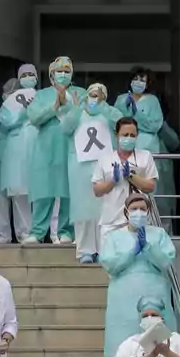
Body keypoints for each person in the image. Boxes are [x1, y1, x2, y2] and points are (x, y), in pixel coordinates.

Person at [98, 193, 173, 357]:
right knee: (124, 349)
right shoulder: (114, 237)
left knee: (158, 347)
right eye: (134, 209)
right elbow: (110, 265)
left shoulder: (159, 234)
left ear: (149, 211)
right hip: (123, 300)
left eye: (142, 209)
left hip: (154, 294)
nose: (138, 212)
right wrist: (131, 253)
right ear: (126, 212)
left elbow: (166, 261)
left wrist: (148, 247)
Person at [28, 57, 85, 244]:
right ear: (51, 74)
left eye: (67, 71)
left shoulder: (80, 94)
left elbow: (86, 115)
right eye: (59, 71)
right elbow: (34, 117)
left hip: (72, 145)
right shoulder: (42, 95)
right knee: (44, 189)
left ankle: (66, 231)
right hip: (47, 147)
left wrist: (69, 105)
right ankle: (37, 232)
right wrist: (55, 106)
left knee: (70, 189)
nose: (63, 74)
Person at [62, 83, 118, 263]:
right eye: (91, 94)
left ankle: (104, 249)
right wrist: (76, 109)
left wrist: (105, 107)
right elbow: (65, 128)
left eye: (98, 95)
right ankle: (85, 250)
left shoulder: (108, 114)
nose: (94, 98)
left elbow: (122, 123)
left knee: (105, 209)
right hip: (80, 168)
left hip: (105, 167)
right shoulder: (77, 113)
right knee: (83, 209)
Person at [0, 64, 40, 242]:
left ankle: (40, 232)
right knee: (19, 191)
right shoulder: (10, 101)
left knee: (41, 191)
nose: (28, 77)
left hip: (39, 147)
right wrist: (23, 113)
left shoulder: (43, 96)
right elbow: (6, 121)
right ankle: (24, 233)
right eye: (25, 75)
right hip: (17, 150)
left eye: (32, 74)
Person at [113, 67, 166, 159]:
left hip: (147, 147)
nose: (138, 82)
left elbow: (155, 126)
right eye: (135, 79)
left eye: (142, 80)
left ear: (147, 84)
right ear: (130, 82)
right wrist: (125, 109)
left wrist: (136, 113)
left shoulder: (152, 101)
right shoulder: (121, 99)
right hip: (124, 147)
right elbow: (114, 122)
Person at [0, 78, 18, 242]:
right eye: (8, 92)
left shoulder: (26, 111)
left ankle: (23, 232)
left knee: (19, 192)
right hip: (0, 150)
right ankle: (2, 234)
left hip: (17, 151)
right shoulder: (1, 112)